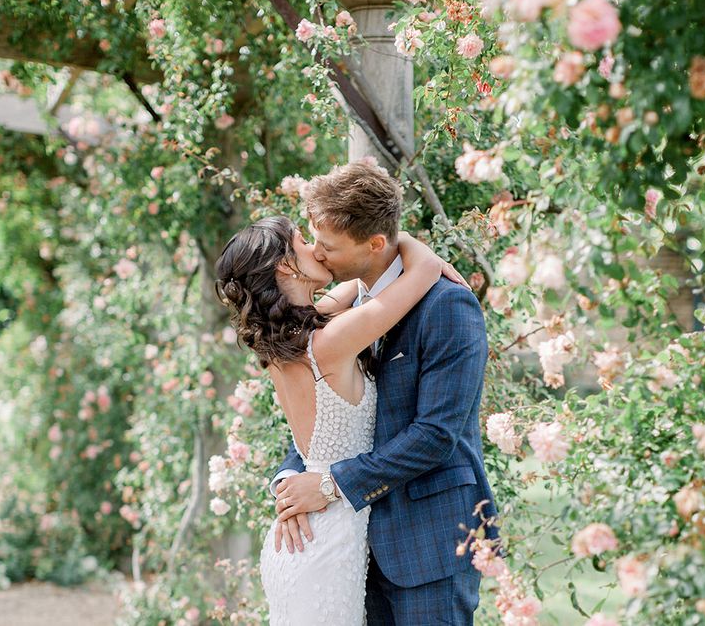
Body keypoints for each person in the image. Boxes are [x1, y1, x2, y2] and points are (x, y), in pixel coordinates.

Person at [271, 163, 499, 625]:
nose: (317, 254)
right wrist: (289, 483)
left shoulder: (447, 305)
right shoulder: (345, 307)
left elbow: (436, 434)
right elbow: (325, 415)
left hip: (428, 544)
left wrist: (330, 485)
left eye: (328, 246)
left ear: (374, 244)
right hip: (350, 547)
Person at [214, 211, 466, 625]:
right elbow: (420, 274)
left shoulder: (289, 340)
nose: (316, 248)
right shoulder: (329, 340)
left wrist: (372, 247)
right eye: (301, 240)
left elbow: (356, 285)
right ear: (283, 264)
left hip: (306, 531)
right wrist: (401, 241)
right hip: (326, 535)